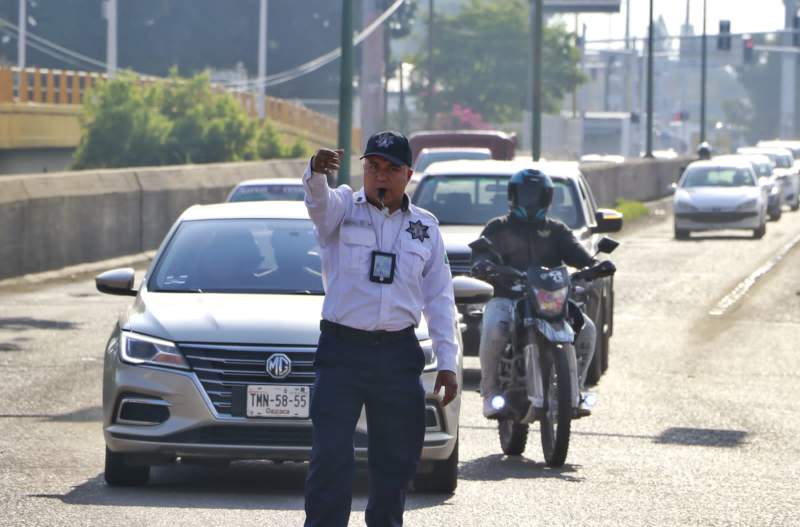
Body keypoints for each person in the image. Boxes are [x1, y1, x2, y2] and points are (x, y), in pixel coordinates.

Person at [302, 131, 459, 527]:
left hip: (397, 354)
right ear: (363, 170)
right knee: (331, 459)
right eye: (372, 167)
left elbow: (439, 298)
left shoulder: (424, 227)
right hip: (342, 352)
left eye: (390, 169)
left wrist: (448, 361)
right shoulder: (342, 209)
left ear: (408, 174)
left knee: (395, 464)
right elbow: (317, 204)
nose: (380, 177)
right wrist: (315, 174)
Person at [471, 168, 603, 419]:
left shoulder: (557, 230)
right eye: (525, 195)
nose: (530, 201)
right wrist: (483, 264)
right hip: (508, 297)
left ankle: (576, 391)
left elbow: (579, 255)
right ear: (513, 196)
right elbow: (481, 253)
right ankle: (489, 393)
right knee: (494, 328)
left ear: (547, 198)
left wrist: (594, 266)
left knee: (587, 329)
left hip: (549, 299)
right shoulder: (498, 227)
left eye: (536, 195)